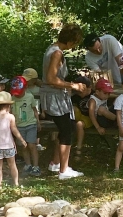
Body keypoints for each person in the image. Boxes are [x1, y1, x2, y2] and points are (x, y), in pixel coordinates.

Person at [39, 23, 86, 180]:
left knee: (68, 126)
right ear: (70, 41)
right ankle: (64, 171)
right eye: (75, 43)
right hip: (54, 98)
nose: (74, 46)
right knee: (66, 131)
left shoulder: (52, 48)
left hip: (57, 96)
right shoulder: (57, 53)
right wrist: (73, 85)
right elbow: (52, 79)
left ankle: (55, 163)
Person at [10, 75, 42, 177]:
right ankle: (28, 164)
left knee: (32, 145)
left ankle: (36, 166)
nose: (18, 95)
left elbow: (34, 110)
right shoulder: (12, 98)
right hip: (19, 126)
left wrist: (38, 121)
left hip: (30, 124)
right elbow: (10, 111)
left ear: (25, 88)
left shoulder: (29, 97)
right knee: (24, 146)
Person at [22, 68, 45, 151]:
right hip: (25, 111)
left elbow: (43, 100)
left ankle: (37, 142)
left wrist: (43, 111)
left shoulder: (39, 89)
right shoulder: (24, 88)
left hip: (36, 111)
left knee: (35, 126)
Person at [71, 76, 93, 158]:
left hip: (89, 117)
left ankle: (79, 148)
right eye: (78, 91)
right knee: (73, 108)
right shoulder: (75, 96)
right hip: (79, 116)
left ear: (89, 88)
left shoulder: (94, 95)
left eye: (82, 91)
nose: (79, 93)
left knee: (79, 125)